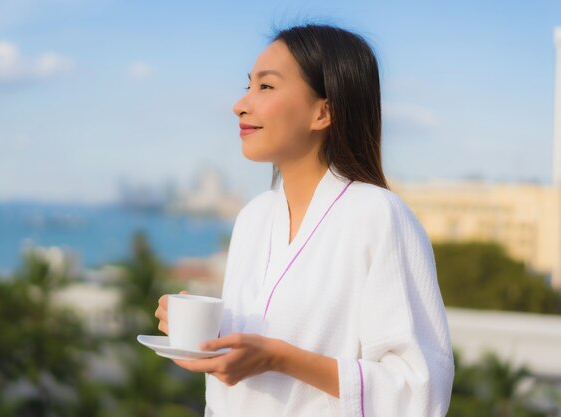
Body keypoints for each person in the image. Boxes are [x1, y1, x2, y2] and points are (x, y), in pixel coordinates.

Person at [155, 23, 454, 417]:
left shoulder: (378, 215)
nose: (240, 104)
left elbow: (420, 390)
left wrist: (281, 359)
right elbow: (252, 355)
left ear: (323, 111)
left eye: (266, 87)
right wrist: (207, 333)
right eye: (248, 85)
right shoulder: (254, 217)